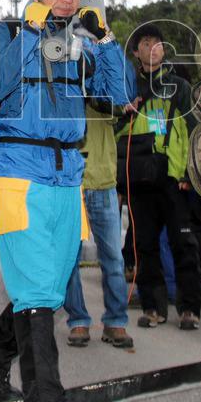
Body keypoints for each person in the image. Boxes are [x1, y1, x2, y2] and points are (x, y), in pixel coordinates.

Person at [0, 0, 134, 402]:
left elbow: (122, 93)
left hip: (67, 177)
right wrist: (31, 30)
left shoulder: (79, 46)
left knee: (49, 289)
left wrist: (106, 42)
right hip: (18, 174)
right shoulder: (3, 33)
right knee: (38, 294)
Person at [117, 23, 201, 330]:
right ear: (136, 51)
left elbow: (193, 132)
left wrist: (190, 173)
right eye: (145, 43)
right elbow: (116, 132)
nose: (152, 48)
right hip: (139, 178)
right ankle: (153, 308)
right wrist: (126, 111)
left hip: (173, 177)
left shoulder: (179, 86)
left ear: (164, 50)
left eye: (157, 43)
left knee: (183, 243)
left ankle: (189, 309)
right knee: (145, 246)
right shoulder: (128, 88)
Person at [63, 99, 133, 350]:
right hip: (70, 185)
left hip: (103, 184)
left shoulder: (103, 93)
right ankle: (78, 319)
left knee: (113, 258)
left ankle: (116, 320)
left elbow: (121, 106)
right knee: (68, 260)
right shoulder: (64, 92)